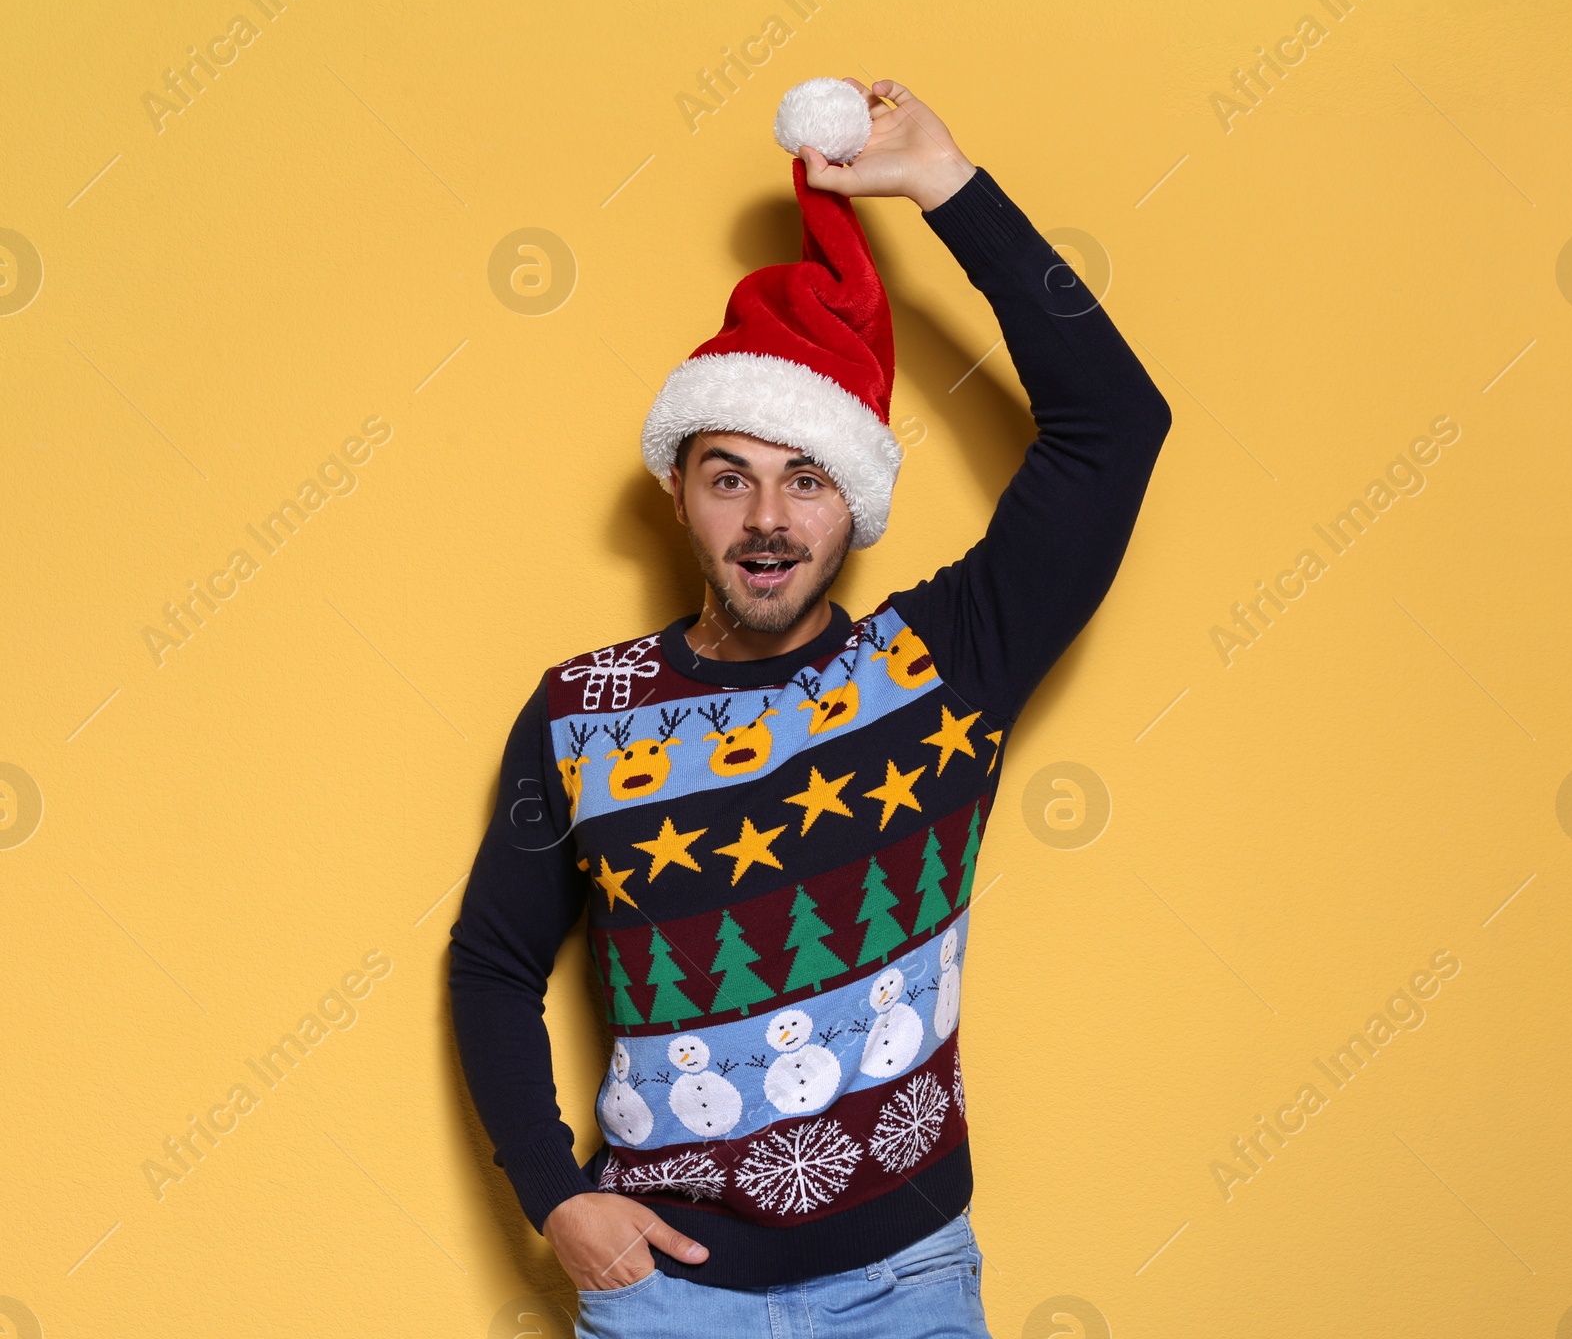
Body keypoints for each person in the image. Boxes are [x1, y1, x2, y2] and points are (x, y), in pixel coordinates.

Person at [449, 77, 1172, 1337]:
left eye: (807, 481)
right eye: (729, 477)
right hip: (665, 1298)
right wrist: (555, 1198)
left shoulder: (942, 661)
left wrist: (946, 185)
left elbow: (1114, 424)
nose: (769, 520)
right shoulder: (581, 710)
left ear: (855, 505)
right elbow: (494, 962)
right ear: (677, 492)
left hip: (907, 1285)